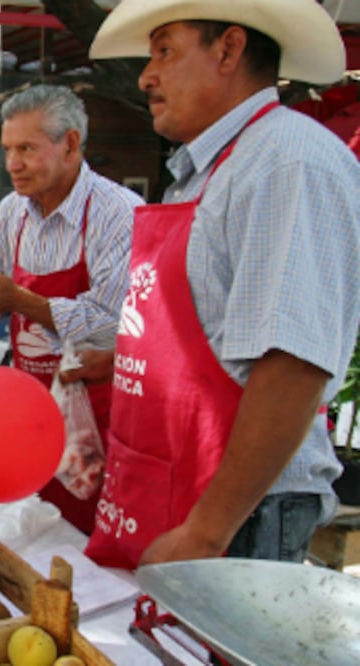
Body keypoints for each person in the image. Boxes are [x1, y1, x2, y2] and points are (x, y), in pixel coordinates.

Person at [67, 0, 360, 568]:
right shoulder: (205, 171)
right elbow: (209, 329)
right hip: (178, 486)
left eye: (165, 51)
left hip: (240, 515)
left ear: (228, 49)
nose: (146, 75)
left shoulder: (286, 162)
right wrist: (130, 360)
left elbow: (292, 367)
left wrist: (205, 532)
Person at [0, 85, 142, 533]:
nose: (12, 165)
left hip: (97, 427)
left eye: (27, 148)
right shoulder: (11, 214)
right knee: (35, 534)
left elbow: (115, 324)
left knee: (92, 547)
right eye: (7, 149)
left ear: (70, 144)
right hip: (27, 420)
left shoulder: (119, 214)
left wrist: (19, 300)